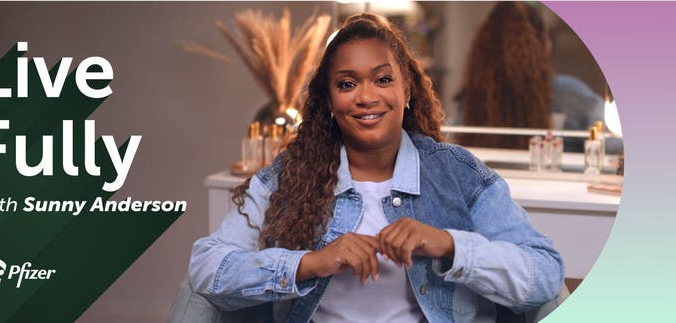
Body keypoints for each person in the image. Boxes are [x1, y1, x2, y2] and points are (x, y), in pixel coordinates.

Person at [189, 13, 564, 323]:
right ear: (330, 102)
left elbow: (545, 273)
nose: (366, 96)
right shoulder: (289, 176)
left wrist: (448, 244)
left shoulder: (459, 175)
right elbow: (208, 268)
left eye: (383, 79)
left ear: (408, 90)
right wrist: (310, 263)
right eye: (347, 83)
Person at [452, 2, 605, 151]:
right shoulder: (569, 95)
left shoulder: (470, 102)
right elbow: (616, 143)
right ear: (545, 45)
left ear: (481, 50)